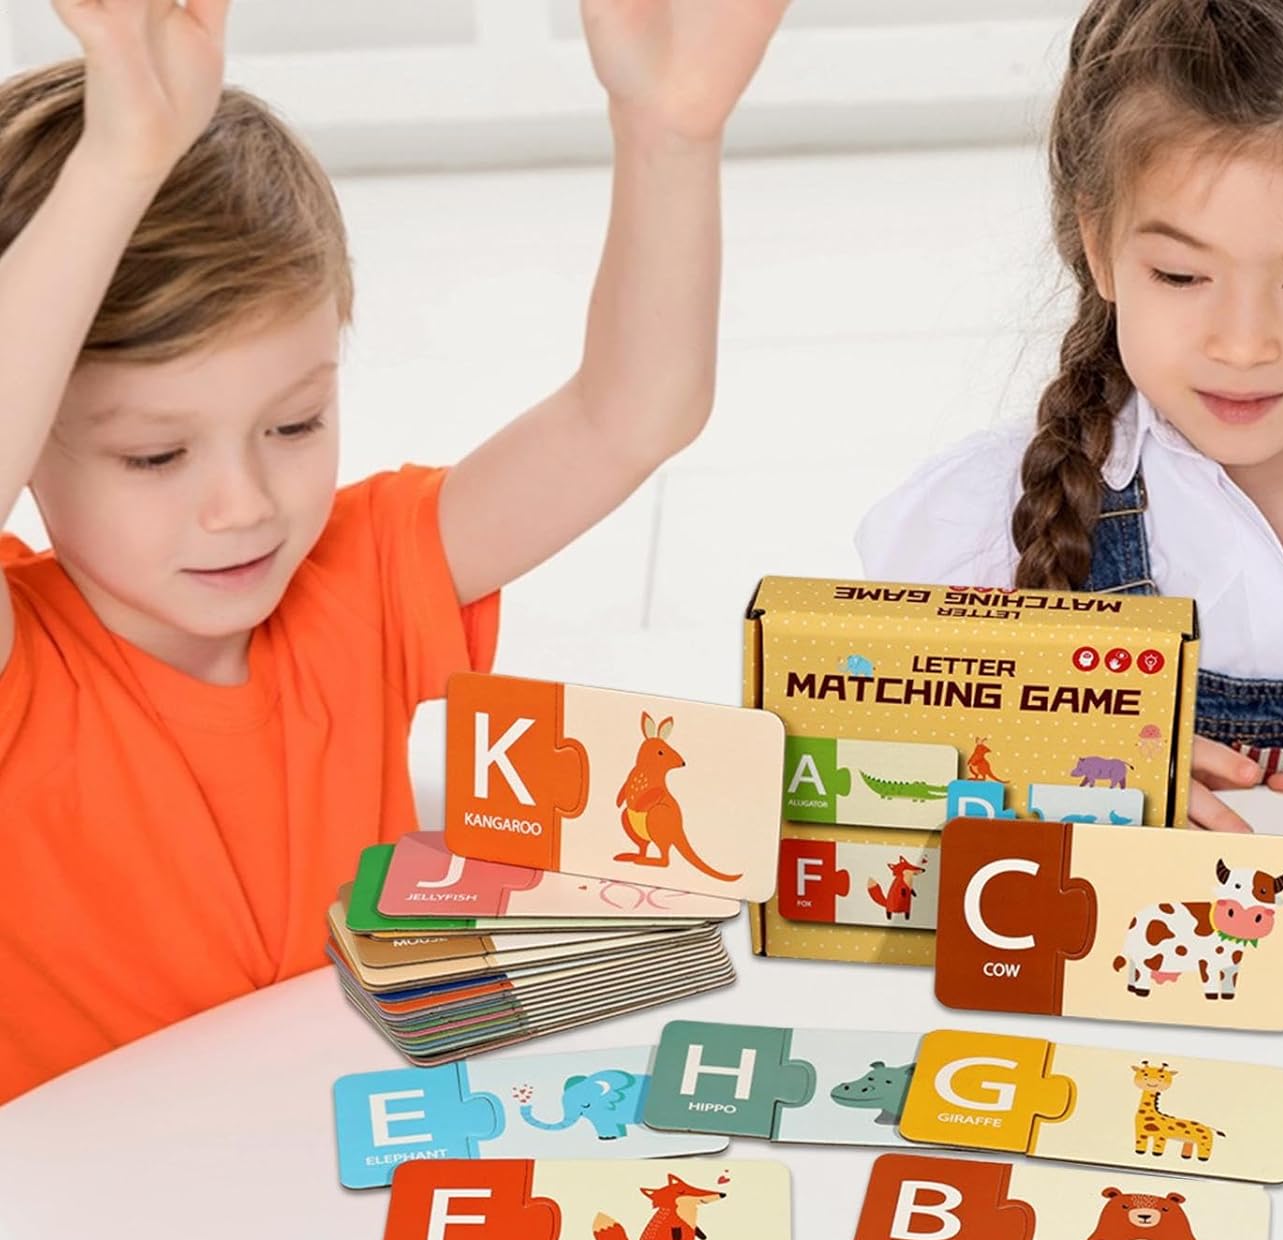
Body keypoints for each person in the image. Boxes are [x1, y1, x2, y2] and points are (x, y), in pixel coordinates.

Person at [0, 0, 786, 1103]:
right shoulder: (26, 672)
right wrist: (118, 161)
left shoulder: (359, 575)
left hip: (347, 1162)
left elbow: (630, 415)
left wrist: (670, 135)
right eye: (156, 456)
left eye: (294, 425)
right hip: (85, 1197)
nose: (242, 506)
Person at [857, 0, 1283, 848]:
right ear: (1099, 245)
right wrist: (1037, 757)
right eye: (1180, 275)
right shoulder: (984, 520)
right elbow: (862, 750)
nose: (1241, 343)